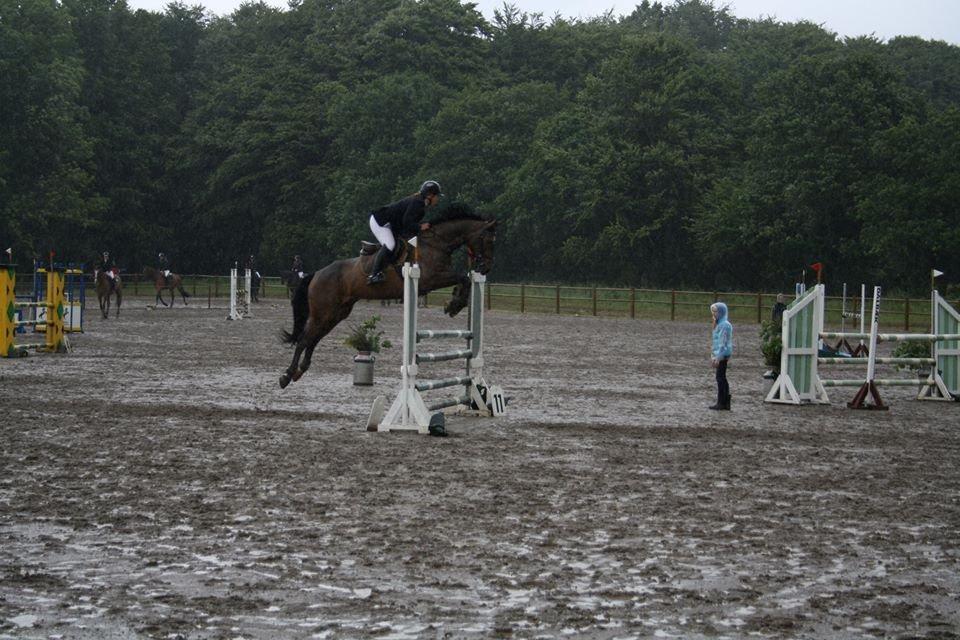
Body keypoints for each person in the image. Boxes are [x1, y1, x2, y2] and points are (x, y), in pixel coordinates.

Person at [366, 180, 442, 285]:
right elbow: (407, 223)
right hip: (380, 221)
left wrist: (420, 226)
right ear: (429, 195)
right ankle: (373, 275)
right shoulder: (418, 203)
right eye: (437, 196)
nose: (438, 199)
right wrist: (420, 227)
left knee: (398, 243)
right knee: (390, 244)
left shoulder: (420, 203)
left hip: (392, 223)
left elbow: (407, 223)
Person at [709, 301, 733, 410]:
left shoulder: (724, 325)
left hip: (722, 355)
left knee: (720, 378)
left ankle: (722, 402)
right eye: (713, 312)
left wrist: (718, 357)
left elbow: (722, 344)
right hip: (720, 355)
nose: (714, 314)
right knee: (721, 378)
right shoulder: (719, 324)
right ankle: (724, 402)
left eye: (716, 312)